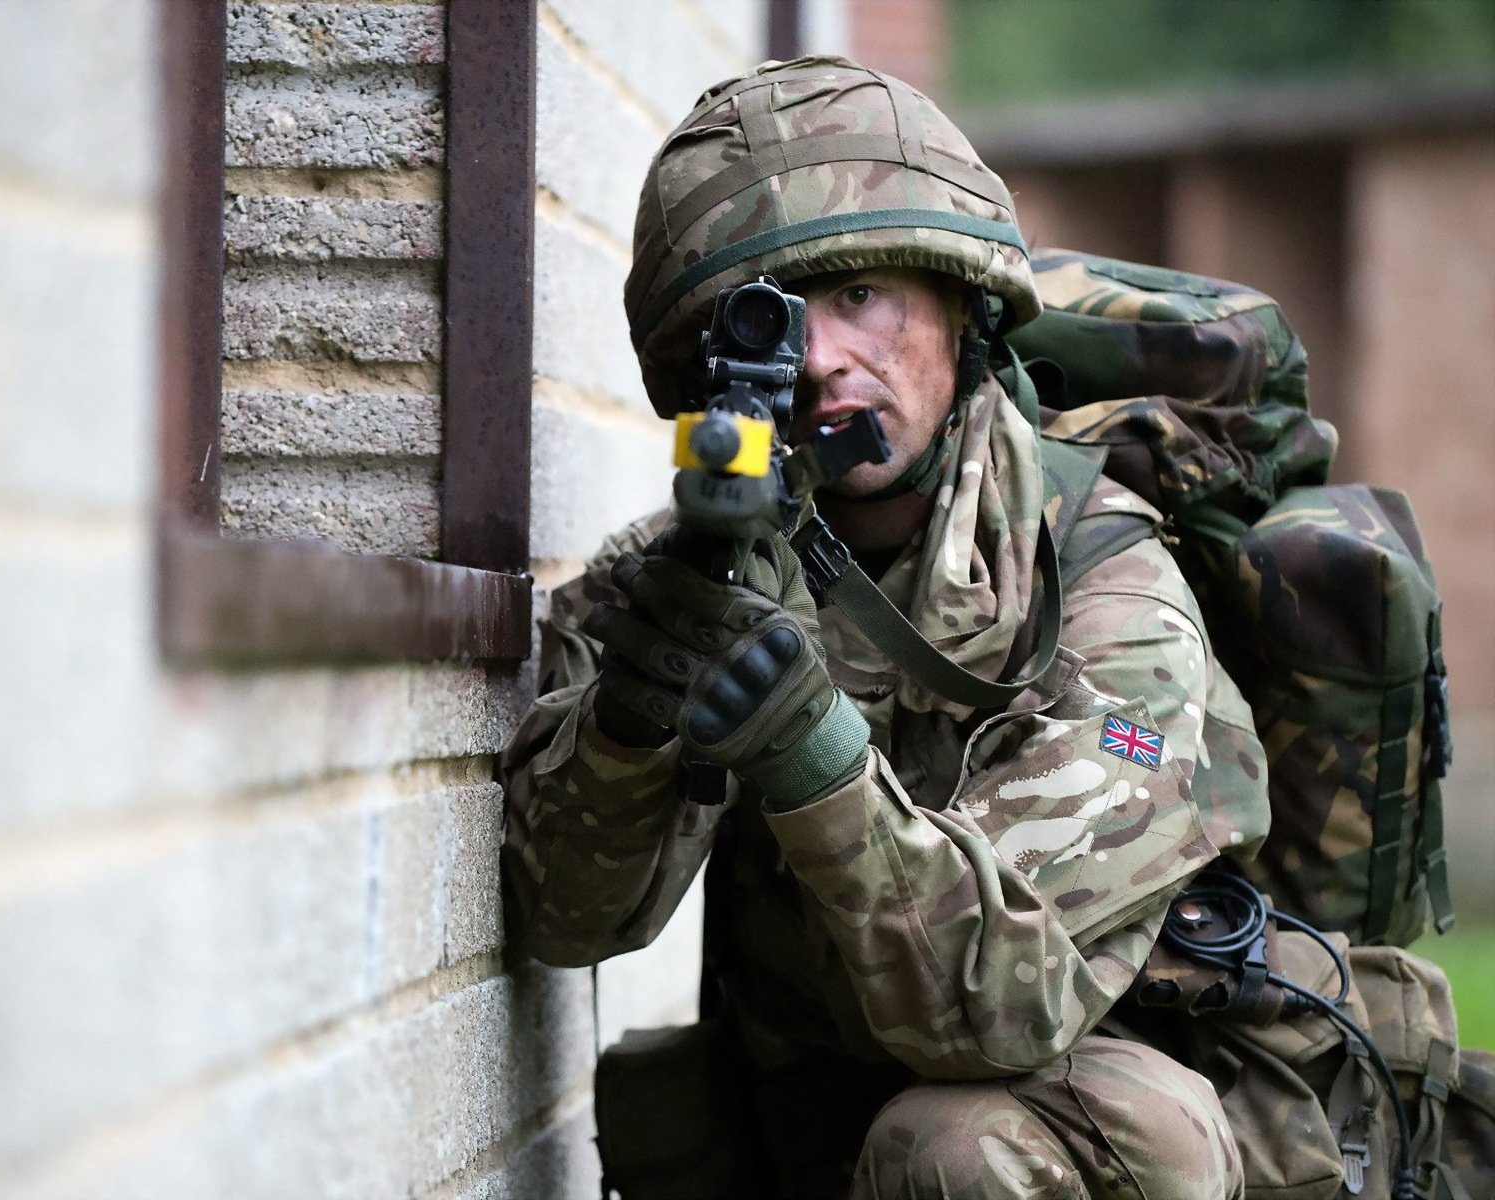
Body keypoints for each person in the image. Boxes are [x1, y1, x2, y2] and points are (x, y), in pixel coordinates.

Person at [499, 56, 1275, 1198]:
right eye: (763, 323)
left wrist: (805, 747)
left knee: (955, 1146)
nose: (817, 363)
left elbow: (996, 1014)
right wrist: (633, 719)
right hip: (807, 1144)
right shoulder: (682, 579)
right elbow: (558, 919)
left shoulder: (1108, 595)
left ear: (960, 303)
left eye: (859, 295)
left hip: (1055, 1145)